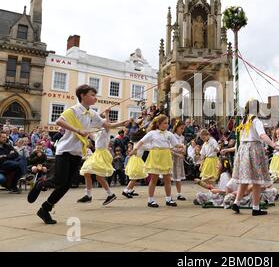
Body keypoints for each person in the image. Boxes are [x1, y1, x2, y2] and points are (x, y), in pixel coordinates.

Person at [27, 84, 130, 225]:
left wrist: (123, 123)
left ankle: (45, 209)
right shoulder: (74, 110)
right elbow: (59, 121)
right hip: (64, 150)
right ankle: (40, 183)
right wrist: (77, 130)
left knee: (66, 185)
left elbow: (107, 126)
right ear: (83, 95)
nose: (95, 97)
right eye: (92, 95)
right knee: (59, 181)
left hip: (76, 153)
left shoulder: (92, 113)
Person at [231, 99, 279, 216]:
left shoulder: (244, 121)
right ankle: (256, 208)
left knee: (245, 179)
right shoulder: (256, 121)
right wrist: (273, 145)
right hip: (253, 149)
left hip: (243, 149)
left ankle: (237, 203)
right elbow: (262, 135)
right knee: (256, 180)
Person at [129, 114, 184, 208]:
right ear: (158, 124)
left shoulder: (169, 134)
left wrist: (182, 146)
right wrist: (135, 149)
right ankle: (150, 200)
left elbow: (175, 144)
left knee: (167, 179)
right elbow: (141, 141)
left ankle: (168, 199)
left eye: (167, 123)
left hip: (166, 156)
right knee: (154, 178)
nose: (167, 125)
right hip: (155, 156)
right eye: (164, 123)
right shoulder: (152, 133)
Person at [77, 109, 128, 206]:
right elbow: (89, 133)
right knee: (90, 174)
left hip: (102, 154)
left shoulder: (105, 132)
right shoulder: (98, 134)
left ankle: (98, 195)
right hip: (97, 154)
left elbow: (107, 124)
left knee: (94, 174)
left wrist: (107, 114)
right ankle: (95, 195)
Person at [171, 120, 187, 201]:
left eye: (183, 128)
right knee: (169, 177)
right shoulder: (172, 136)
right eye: (181, 128)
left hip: (179, 159)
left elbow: (183, 148)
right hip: (172, 159)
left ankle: (179, 193)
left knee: (178, 177)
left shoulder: (182, 137)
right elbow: (170, 149)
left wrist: (183, 151)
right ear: (176, 128)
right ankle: (169, 195)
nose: (182, 130)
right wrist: (178, 153)